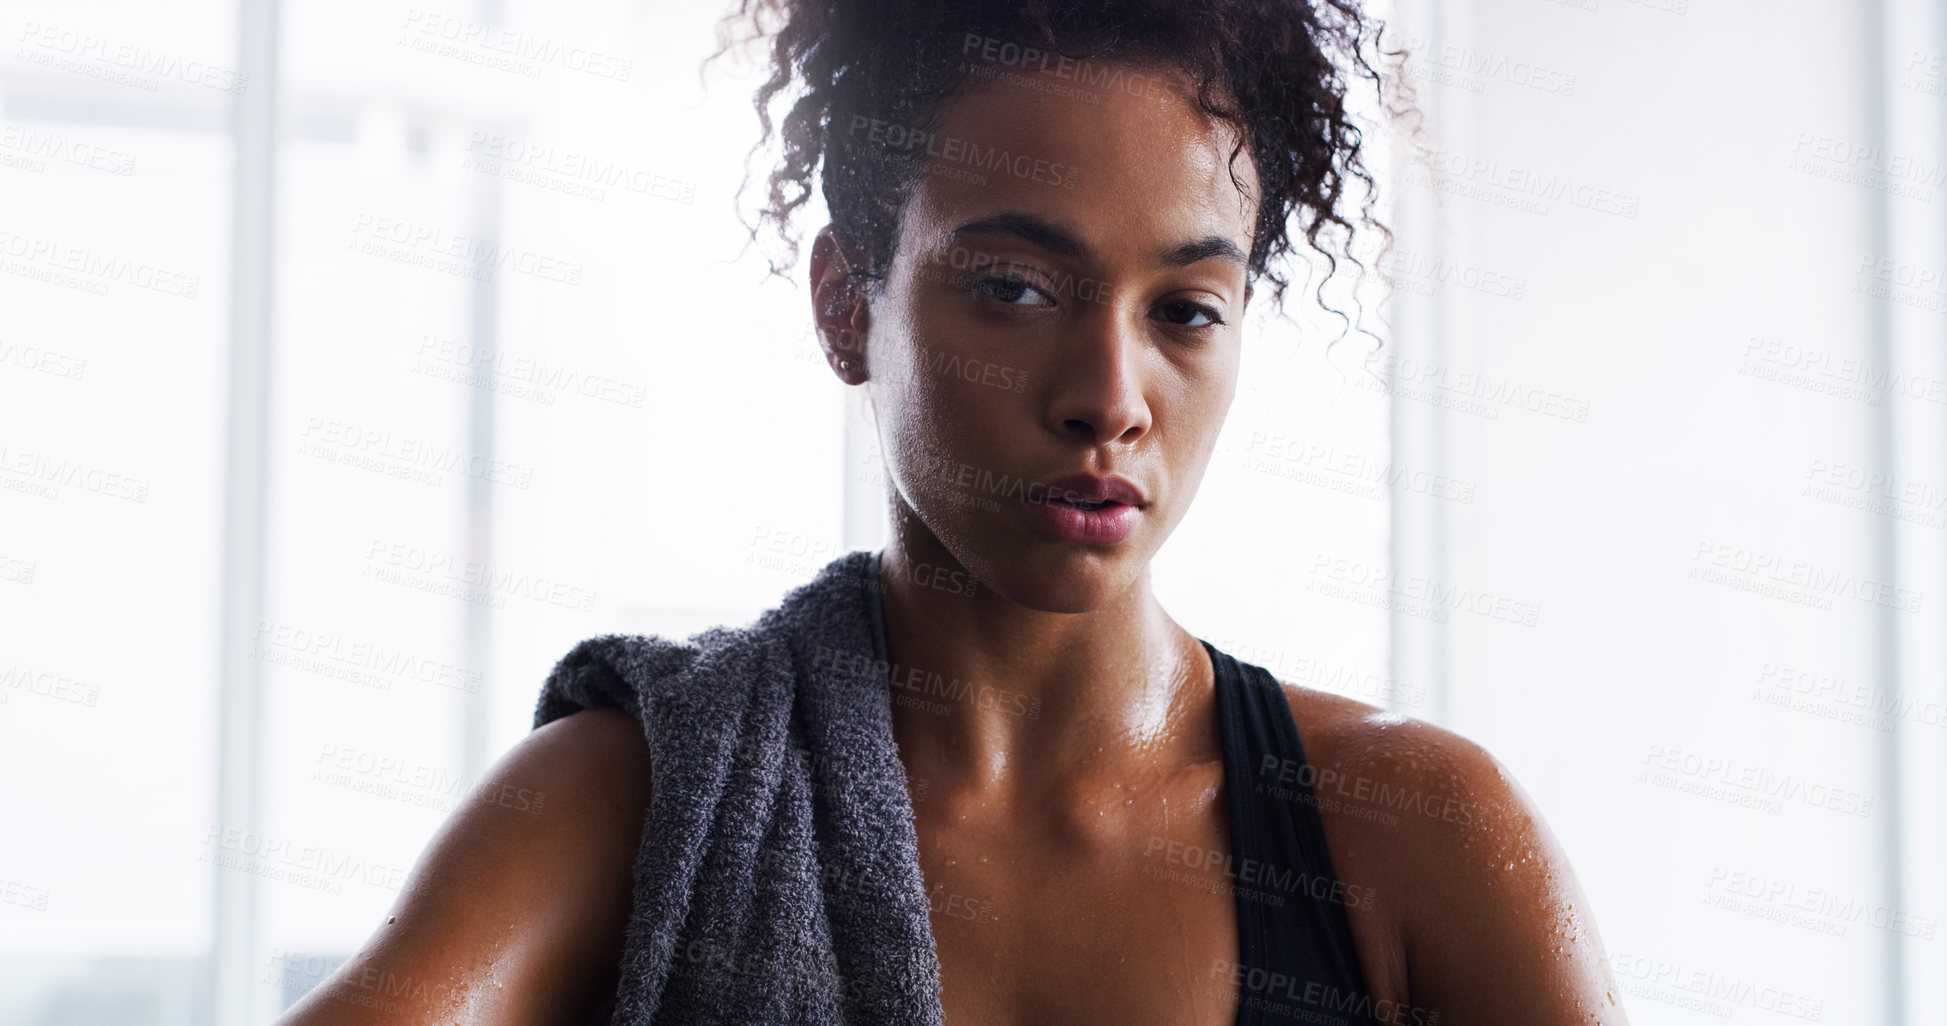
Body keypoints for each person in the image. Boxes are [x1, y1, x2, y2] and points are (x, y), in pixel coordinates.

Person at [276, 1, 1630, 1023]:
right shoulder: (628, 801)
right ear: (847, 302)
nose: (1111, 396)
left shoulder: (1418, 832)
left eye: (1185, 311)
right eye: (1014, 289)